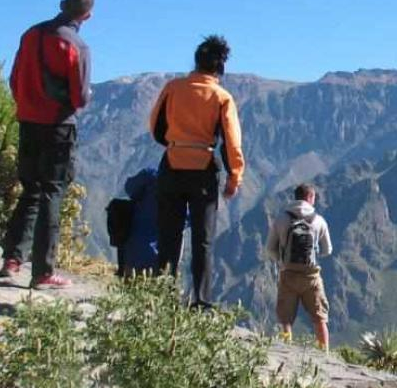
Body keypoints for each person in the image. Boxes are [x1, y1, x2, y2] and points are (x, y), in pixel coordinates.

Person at [0, 0, 95, 288]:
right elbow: (79, 97)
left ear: (62, 4)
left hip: (28, 121)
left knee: (30, 189)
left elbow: (15, 78)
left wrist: (27, 103)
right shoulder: (77, 46)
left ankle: (12, 258)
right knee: (52, 192)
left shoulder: (30, 36)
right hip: (58, 126)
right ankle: (42, 271)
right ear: (87, 16)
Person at [148, 35, 245, 307]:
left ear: (196, 61)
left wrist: (175, 144)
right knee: (203, 239)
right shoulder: (221, 97)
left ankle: (161, 295)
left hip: (172, 163)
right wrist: (234, 177)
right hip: (203, 168)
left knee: (168, 233)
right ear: (220, 67)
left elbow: (155, 126)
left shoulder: (173, 88)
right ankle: (201, 301)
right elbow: (231, 142)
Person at [265, 183, 333, 350]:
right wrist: (313, 254)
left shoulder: (281, 219)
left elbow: (270, 248)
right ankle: (324, 352)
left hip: (288, 274)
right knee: (319, 318)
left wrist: (281, 260)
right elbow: (327, 250)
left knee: (286, 319)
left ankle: (286, 350)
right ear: (310, 198)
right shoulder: (319, 220)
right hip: (311, 277)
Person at [118, 167, 163, 276]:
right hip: (159, 256)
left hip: (132, 250)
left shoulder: (150, 175)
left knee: (129, 286)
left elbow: (129, 188)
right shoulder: (183, 191)